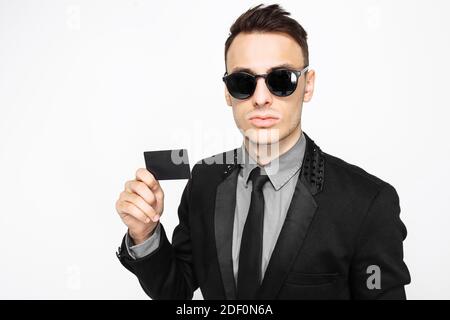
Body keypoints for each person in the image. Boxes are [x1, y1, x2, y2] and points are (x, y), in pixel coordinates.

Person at [115, 3, 410, 300]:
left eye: (281, 80)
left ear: (308, 86)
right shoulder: (205, 180)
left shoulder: (367, 202)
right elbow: (176, 291)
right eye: (243, 82)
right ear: (228, 93)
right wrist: (144, 233)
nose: (260, 98)